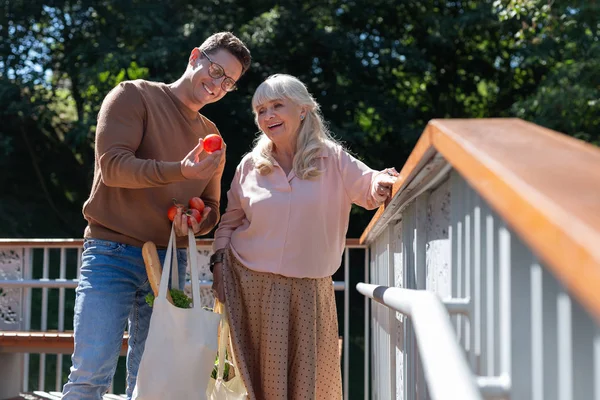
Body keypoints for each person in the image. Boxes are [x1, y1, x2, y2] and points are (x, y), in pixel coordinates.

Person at [61, 32, 251, 400]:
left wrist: (197, 221)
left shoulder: (213, 137)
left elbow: (211, 208)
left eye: (228, 82)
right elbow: (113, 167)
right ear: (195, 56)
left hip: (170, 264)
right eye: (214, 70)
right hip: (109, 252)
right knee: (90, 375)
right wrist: (180, 170)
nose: (217, 85)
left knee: (152, 383)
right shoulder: (133, 95)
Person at [210, 74, 399, 399]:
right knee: (248, 386)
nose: (267, 116)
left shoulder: (333, 158)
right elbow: (229, 222)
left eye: (276, 106)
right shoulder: (250, 166)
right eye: (260, 110)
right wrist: (217, 266)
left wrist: (382, 181)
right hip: (248, 284)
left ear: (303, 110)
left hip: (308, 292)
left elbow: (368, 187)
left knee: (308, 387)